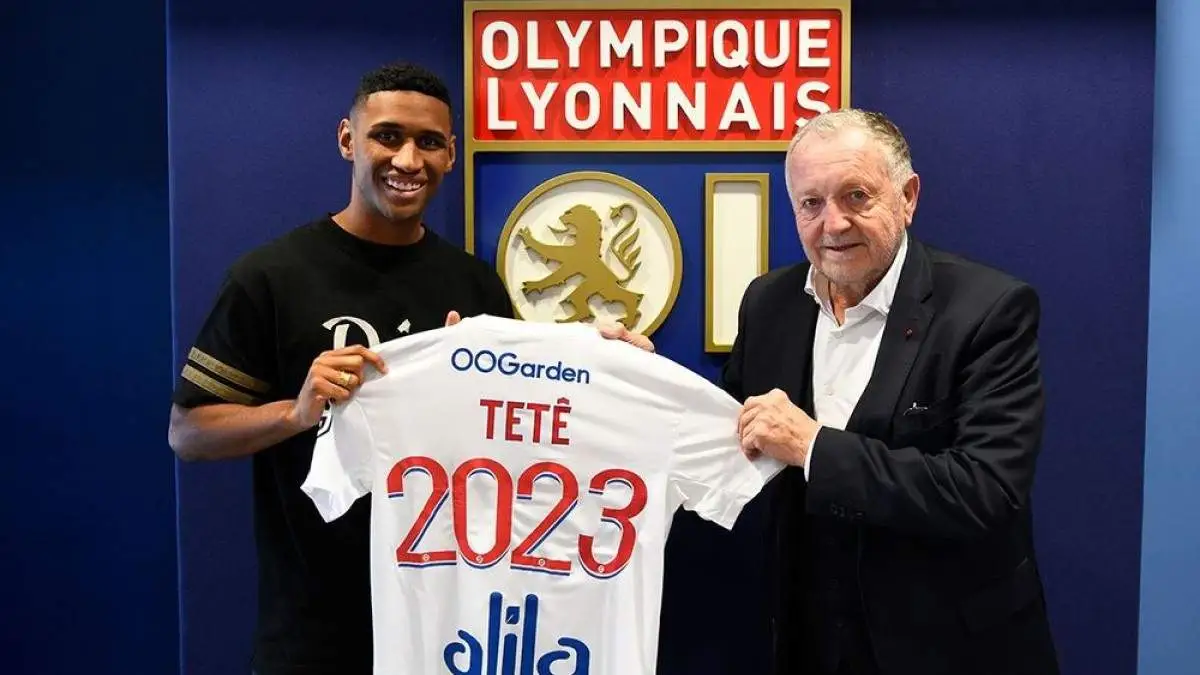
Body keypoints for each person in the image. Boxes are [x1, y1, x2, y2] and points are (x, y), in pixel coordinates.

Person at [607, 109, 1060, 675]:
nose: (834, 223)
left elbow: (984, 490)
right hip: (808, 638)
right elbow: (733, 441)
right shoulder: (768, 303)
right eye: (811, 203)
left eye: (856, 197)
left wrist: (813, 447)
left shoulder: (988, 309)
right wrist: (641, 382)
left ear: (907, 197)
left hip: (950, 648)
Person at [167, 62, 516, 675]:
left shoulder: (476, 286)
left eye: (428, 142)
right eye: (388, 136)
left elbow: (516, 434)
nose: (408, 160)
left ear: (450, 154)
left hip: (448, 630)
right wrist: (296, 412)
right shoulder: (271, 276)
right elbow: (188, 433)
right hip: (314, 636)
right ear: (347, 140)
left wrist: (598, 359)